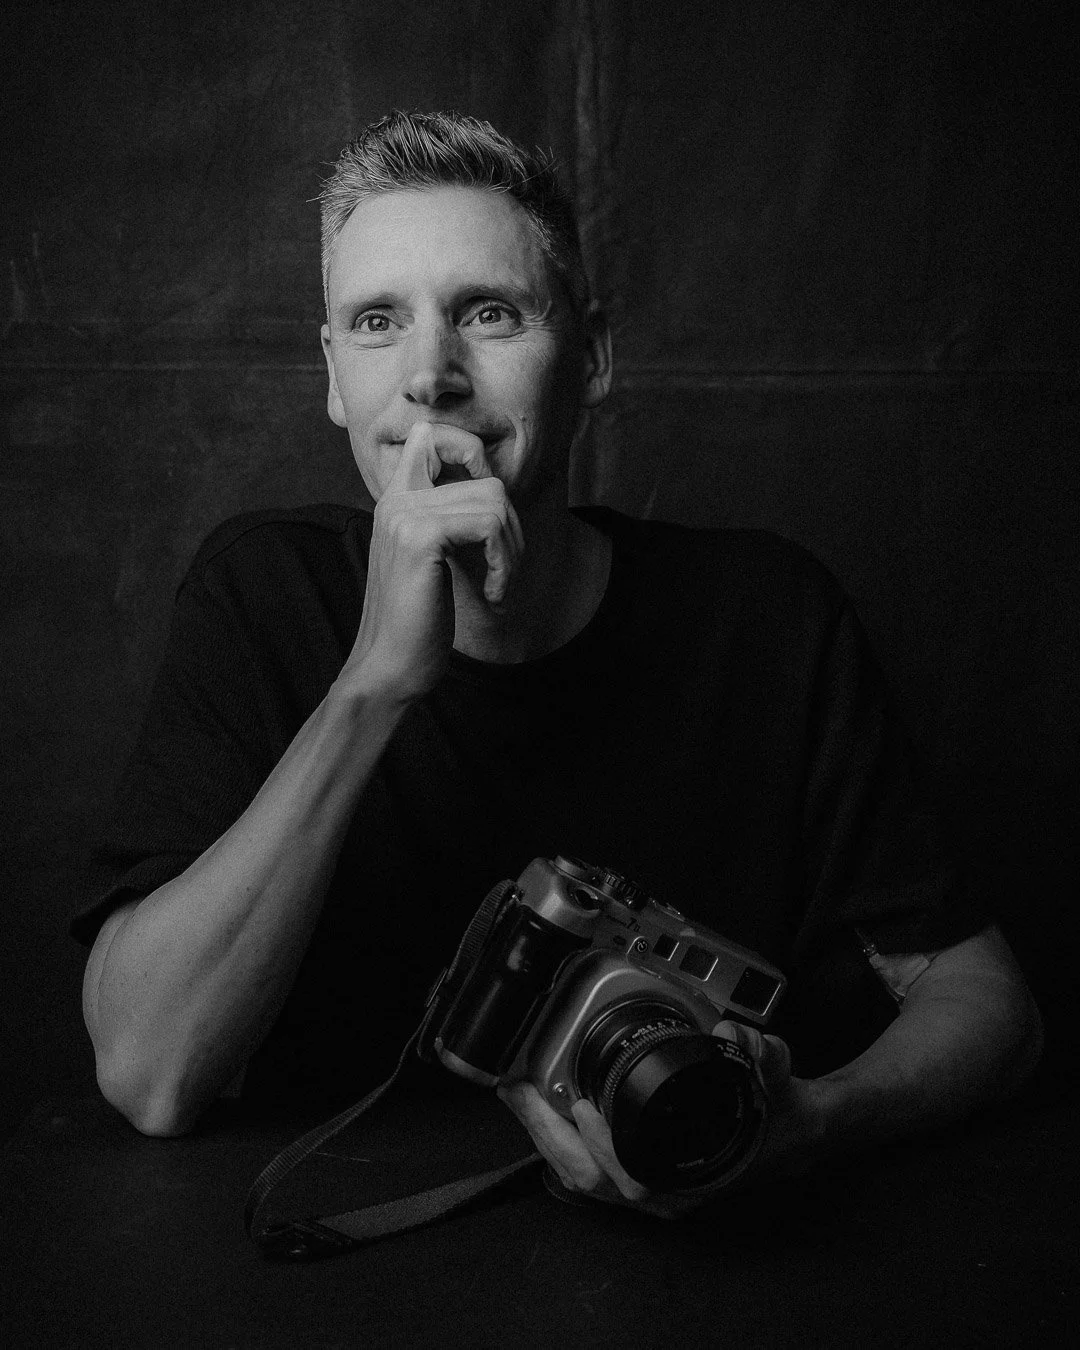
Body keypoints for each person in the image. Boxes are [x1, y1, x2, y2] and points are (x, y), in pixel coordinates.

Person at [74, 110, 1042, 1216]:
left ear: (595, 357)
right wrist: (374, 686)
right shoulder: (261, 596)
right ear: (335, 376)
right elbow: (149, 1075)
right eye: (378, 321)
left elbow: (988, 1003)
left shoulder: (765, 614)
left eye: (489, 312)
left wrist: (817, 1122)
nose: (431, 375)